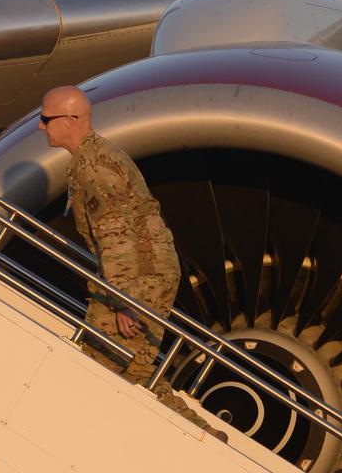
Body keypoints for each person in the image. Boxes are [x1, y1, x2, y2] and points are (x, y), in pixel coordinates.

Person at [39, 85, 228, 443]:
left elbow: (117, 236)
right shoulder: (91, 158)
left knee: (106, 366)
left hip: (139, 278)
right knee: (134, 369)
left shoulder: (94, 166)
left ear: (69, 120)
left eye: (46, 118)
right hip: (141, 275)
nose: (40, 126)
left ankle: (197, 442)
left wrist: (126, 301)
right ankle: (203, 438)